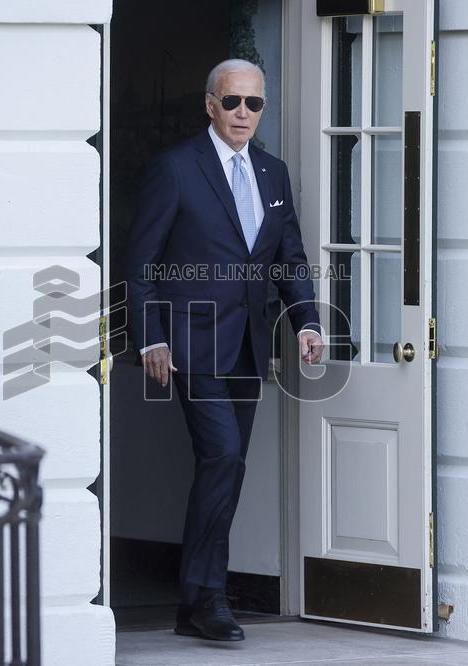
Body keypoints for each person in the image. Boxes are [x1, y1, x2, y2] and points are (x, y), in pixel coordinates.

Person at [125, 59, 324, 642]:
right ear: (210, 104)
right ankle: (206, 598)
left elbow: (289, 259)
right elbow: (141, 264)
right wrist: (152, 336)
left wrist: (306, 322)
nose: (243, 114)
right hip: (190, 343)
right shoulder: (176, 168)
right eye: (232, 102)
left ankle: (197, 597)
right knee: (223, 457)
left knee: (228, 467)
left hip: (247, 346)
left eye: (254, 104)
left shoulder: (272, 172)